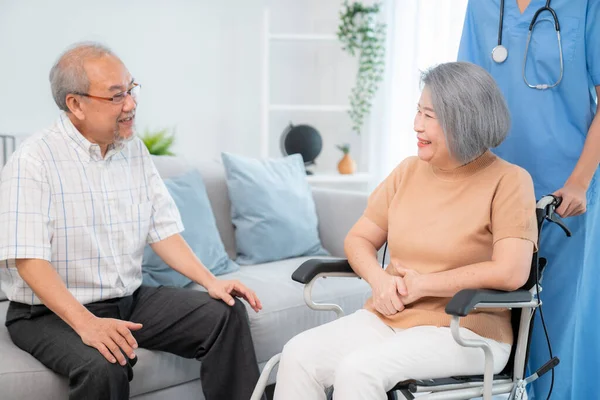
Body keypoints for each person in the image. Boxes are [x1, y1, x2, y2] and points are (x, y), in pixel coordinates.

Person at [0, 42, 264, 400]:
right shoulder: (33, 161)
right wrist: (87, 324)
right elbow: (28, 260)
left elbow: (163, 230)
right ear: (75, 104)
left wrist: (210, 281)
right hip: (46, 314)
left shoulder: (133, 150)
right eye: (116, 96)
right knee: (102, 364)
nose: (131, 104)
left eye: (131, 89)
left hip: (129, 299)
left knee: (225, 314)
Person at [272, 61, 538, 400]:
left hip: (465, 329)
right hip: (390, 319)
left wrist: (423, 285)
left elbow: (511, 271)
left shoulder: (509, 181)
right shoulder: (408, 171)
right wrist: (380, 281)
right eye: (418, 111)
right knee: (298, 355)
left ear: (465, 120)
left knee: (359, 370)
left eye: (429, 116)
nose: (416, 125)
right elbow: (358, 239)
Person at [458, 1, 600, 398]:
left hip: (565, 193)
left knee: (559, 323)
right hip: (493, 187)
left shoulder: (587, 6)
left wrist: (579, 181)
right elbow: (465, 93)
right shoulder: (482, 6)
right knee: (493, 321)